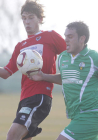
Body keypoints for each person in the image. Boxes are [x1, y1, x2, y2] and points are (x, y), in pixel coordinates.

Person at [28, 21, 98, 140]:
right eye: (65, 36)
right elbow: (66, 78)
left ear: (82, 39)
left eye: (70, 37)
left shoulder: (95, 59)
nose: (66, 40)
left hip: (91, 116)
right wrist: (43, 76)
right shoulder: (63, 57)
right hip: (75, 116)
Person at [1, 0, 66, 140]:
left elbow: (72, 53)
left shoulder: (50, 36)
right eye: (24, 18)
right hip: (24, 99)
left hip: (40, 97)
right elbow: (6, 73)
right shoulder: (20, 46)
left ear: (40, 19)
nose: (27, 22)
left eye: (31, 17)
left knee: (12, 136)